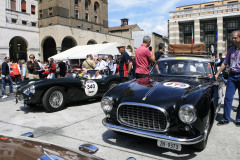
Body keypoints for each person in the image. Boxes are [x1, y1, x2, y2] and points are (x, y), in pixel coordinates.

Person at [215, 30, 240, 127]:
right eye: (232, 38)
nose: (233, 40)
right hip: (232, 77)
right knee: (228, 98)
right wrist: (217, 73)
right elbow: (225, 63)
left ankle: (238, 119)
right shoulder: (231, 50)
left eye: (235, 38)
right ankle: (226, 118)